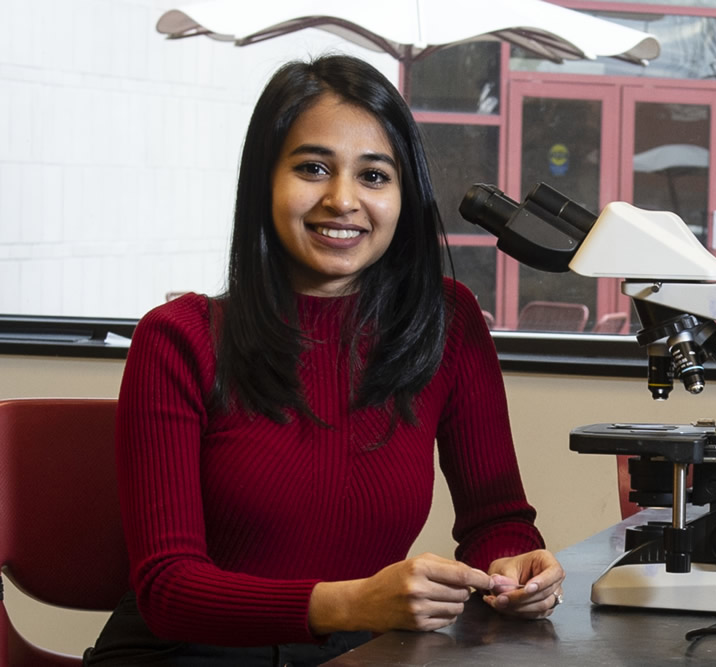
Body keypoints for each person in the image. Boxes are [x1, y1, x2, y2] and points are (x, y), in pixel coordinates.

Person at [85, 53, 564, 666]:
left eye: (374, 175)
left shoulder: (447, 320)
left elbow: (496, 518)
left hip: (355, 653)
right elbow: (168, 589)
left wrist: (514, 567)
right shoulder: (177, 339)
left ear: (403, 193)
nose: (342, 200)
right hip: (184, 653)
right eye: (313, 167)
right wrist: (354, 604)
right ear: (266, 182)